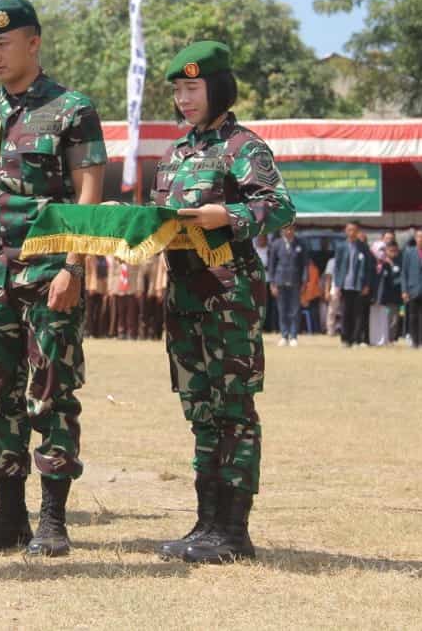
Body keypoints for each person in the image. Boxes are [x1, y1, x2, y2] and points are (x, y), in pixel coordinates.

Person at [0, 0, 106, 557]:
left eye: (4, 44)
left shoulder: (71, 109)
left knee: (52, 393)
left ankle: (53, 521)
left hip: (48, 273)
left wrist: (74, 265)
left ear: (33, 43)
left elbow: (89, 188)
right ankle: (8, 518)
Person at [150, 41, 295, 565]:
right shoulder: (176, 153)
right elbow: (159, 216)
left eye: (193, 88)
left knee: (234, 410)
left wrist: (228, 216)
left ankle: (234, 530)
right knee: (201, 410)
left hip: (228, 293)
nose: (184, 99)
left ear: (218, 89)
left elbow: (278, 206)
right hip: (183, 293)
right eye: (177, 91)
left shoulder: (243, 147)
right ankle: (206, 522)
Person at [332, 221, 376, 348]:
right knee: (345, 313)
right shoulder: (341, 247)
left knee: (358, 313)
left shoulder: (363, 247)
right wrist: (337, 285)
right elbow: (337, 267)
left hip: (359, 285)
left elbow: (369, 268)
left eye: (354, 230)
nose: (352, 232)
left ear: (358, 232)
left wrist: (367, 284)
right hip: (345, 285)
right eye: (349, 230)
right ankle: (345, 339)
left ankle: (356, 339)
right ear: (346, 231)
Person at [267, 225, 307, 347]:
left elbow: (305, 265)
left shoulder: (301, 244)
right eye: (286, 229)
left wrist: (305, 282)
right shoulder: (276, 244)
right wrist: (272, 283)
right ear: (282, 230)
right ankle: (284, 335)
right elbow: (271, 265)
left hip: (295, 281)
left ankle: (293, 335)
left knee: (295, 310)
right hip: (280, 281)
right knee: (282, 309)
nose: (289, 231)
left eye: (291, 229)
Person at [372, 242, 403, 345]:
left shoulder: (400, 263)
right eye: (390, 251)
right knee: (382, 319)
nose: (393, 253)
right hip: (383, 297)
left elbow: (400, 279)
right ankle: (381, 338)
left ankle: (391, 339)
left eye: (395, 251)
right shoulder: (382, 264)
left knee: (394, 319)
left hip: (395, 297)